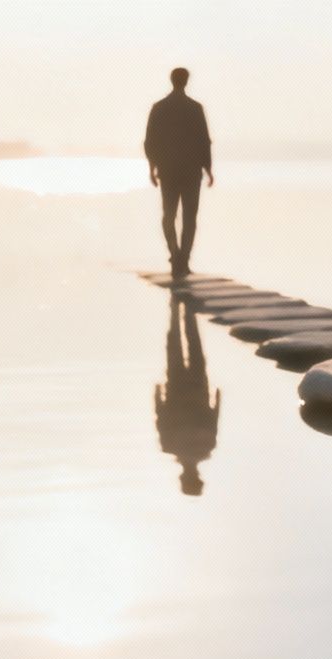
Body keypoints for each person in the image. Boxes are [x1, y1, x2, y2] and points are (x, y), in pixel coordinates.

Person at [144, 67, 213, 277]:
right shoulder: (195, 108)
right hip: (191, 171)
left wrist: (152, 167)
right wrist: (208, 169)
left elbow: (150, 142)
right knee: (190, 217)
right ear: (186, 81)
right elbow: (204, 141)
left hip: (168, 171)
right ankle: (183, 258)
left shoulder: (159, 108)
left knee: (169, 215)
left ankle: (175, 255)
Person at [155, 295, 219, 496]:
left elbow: (161, 419)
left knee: (191, 345)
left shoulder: (205, 448)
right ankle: (179, 307)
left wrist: (217, 398)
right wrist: (157, 397)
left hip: (191, 389)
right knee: (178, 344)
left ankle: (183, 307)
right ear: (184, 478)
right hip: (183, 389)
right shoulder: (170, 446)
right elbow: (161, 419)